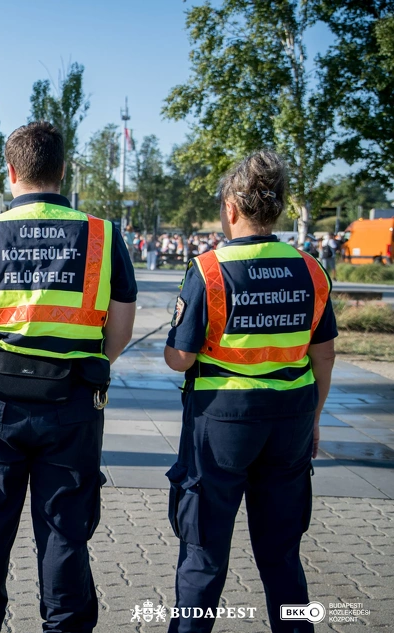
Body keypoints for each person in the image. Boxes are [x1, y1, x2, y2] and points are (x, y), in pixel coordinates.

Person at [0, 121, 137, 633]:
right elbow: (120, 330)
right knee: (64, 532)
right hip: (72, 404)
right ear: (63, 171)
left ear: (11, 173)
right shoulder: (101, 234)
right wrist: (84, 364)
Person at [163, 150, 336, 633]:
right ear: (277, 207)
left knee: (204, 552)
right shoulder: (311, 268)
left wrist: (173, 338)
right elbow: (324, 355)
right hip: (292, 417)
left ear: (231, 207)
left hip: (222, 422)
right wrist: (315, 418)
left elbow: (181, 358)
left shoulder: (209, 270)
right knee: (282, 553)